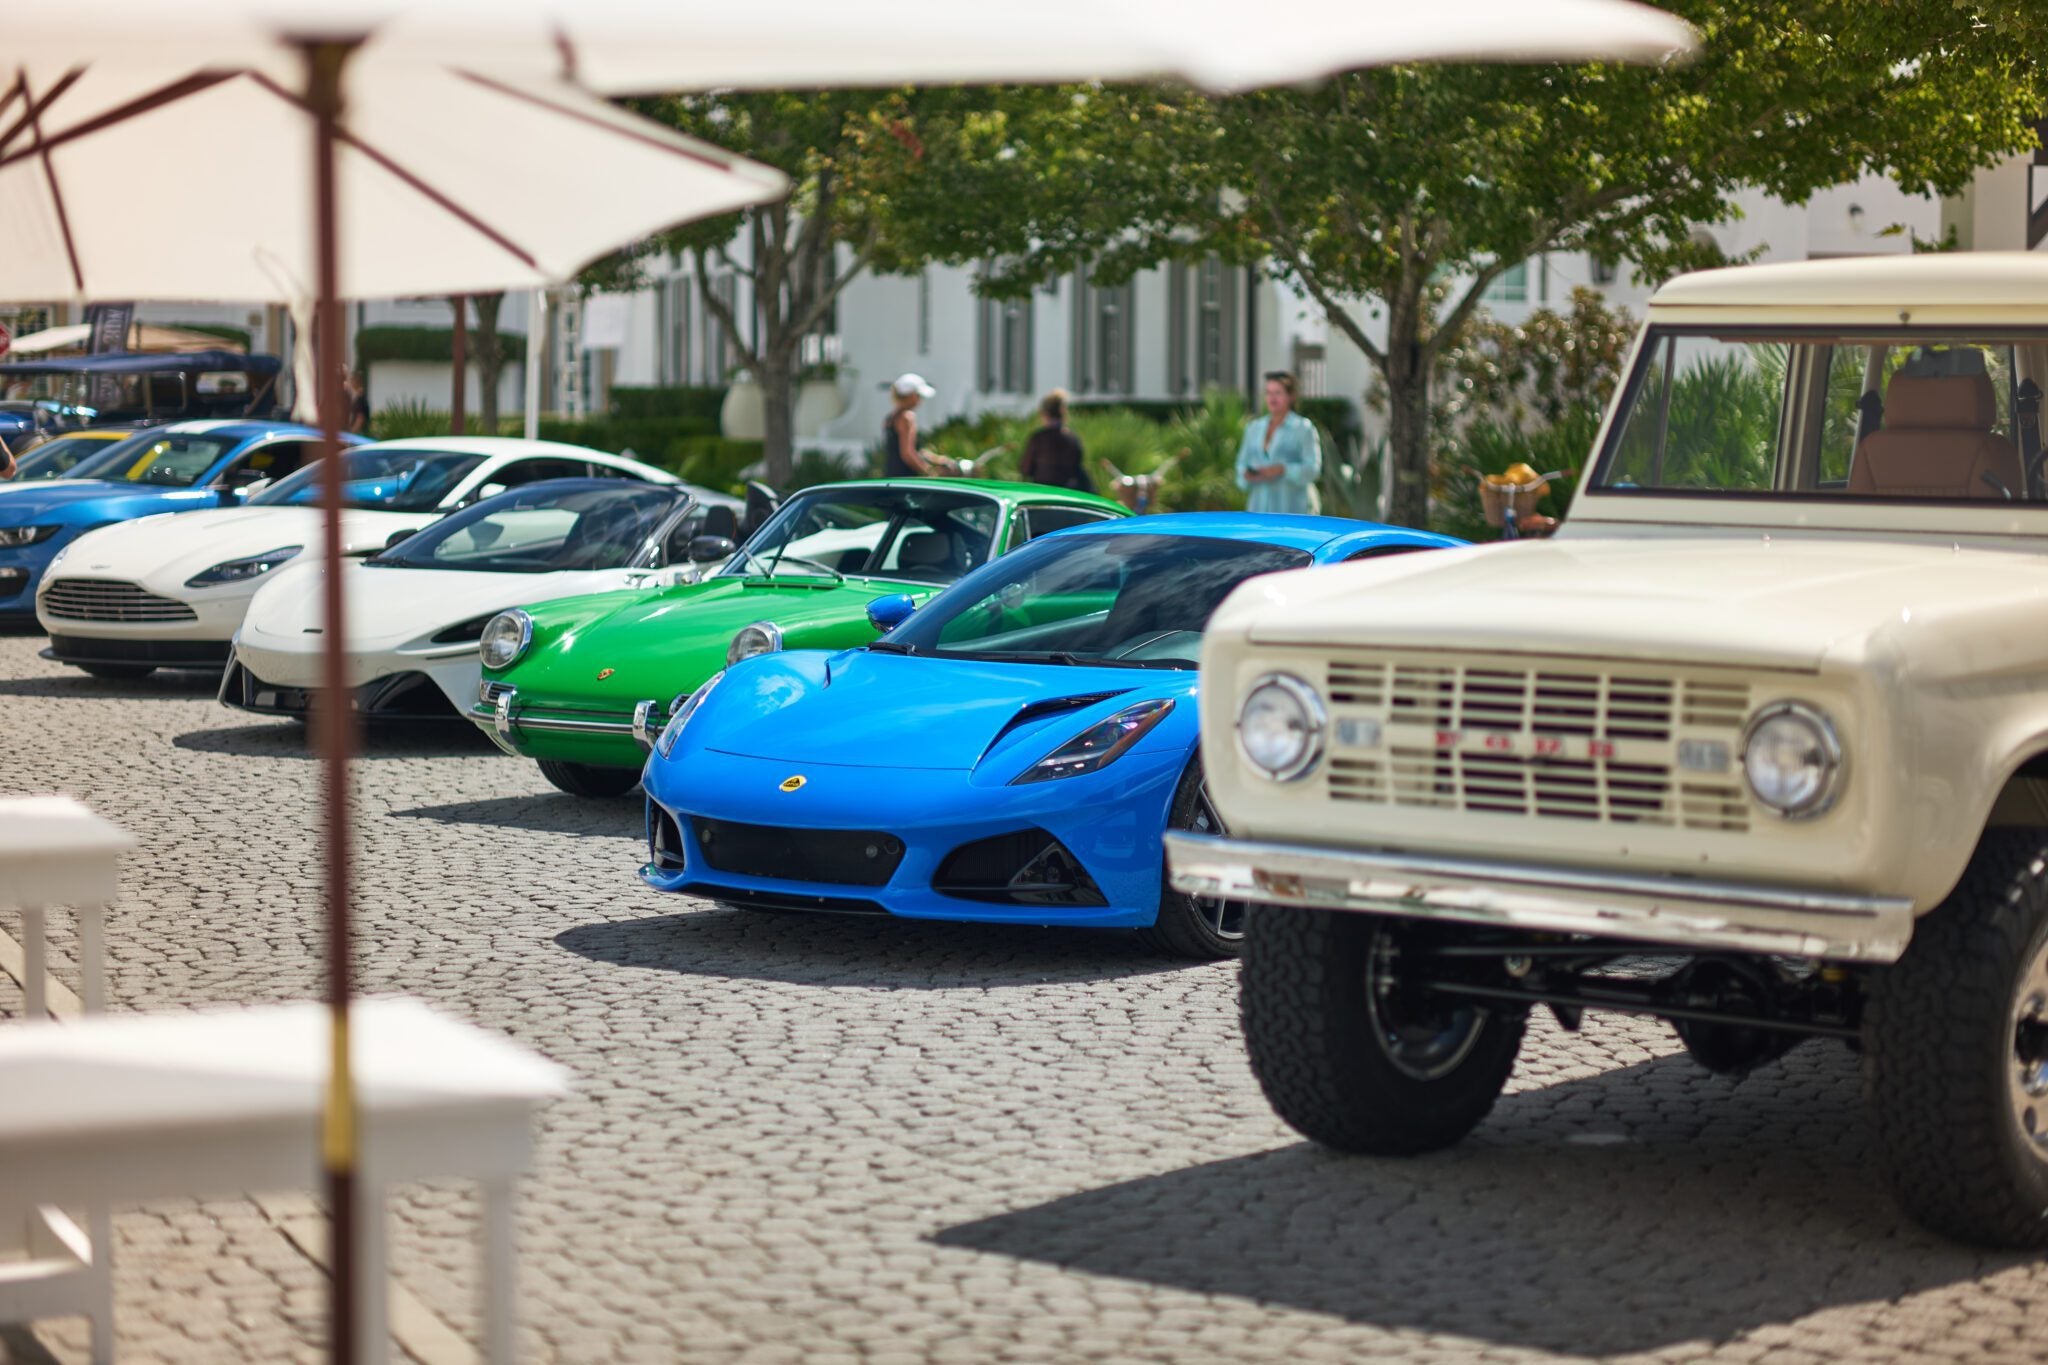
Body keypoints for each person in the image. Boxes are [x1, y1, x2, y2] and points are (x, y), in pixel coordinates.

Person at [1235, 370, 1322, 514]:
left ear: (1291, 396)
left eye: (1278, 393)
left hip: (1292, 512)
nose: (1272, 398)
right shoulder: (1254, 428)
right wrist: (1247, 475)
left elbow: (1313, 470)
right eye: (1268, 393)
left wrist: (1283, 469)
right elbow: (1241, 464)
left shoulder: (1303, 428)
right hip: (1258, 511)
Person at [1017, 388, 1094, 492]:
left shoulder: (1038, 438)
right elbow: (1078, 467)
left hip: (1043, 492)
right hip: (1066, 493)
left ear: (1044, 414)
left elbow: (1025, 469)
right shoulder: (1072, 438)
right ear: (1063, 413)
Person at [881, 373, 955, 477]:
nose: (920, 400)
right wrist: (929, 472)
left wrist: (937, 459)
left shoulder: (891, 418)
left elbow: (912, 450)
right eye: (919, 396)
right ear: (911, 395)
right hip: (905, 479)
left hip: (892, 477)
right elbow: (907, 453)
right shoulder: (907, 417)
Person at [343, 369, 370, 435]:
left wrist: (352, 432)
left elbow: (360, 418)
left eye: (352, 379)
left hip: (359, 434)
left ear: (357, 380)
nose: (351, 382)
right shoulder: (358, 397)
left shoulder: (361, 398)